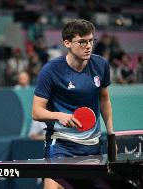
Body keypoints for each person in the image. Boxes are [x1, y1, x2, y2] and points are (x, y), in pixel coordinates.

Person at [32, 19, 114, 189]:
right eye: (82, 41)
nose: (88, 46)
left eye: (91, 40)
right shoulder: (51, 71)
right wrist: (59, 116)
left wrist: (111, 134)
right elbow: (36, 112)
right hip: (61, 144)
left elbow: (104, 99)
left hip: (93, 146)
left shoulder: (100, 65)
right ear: (67, 43)